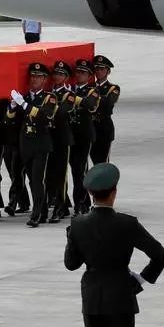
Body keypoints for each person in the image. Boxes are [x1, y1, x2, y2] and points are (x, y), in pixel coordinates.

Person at [64, 163, 164, 327]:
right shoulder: (127, 224)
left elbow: (71, 264)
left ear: (90, 193)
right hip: (121, 296)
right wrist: (139, 280)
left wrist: (71, 237)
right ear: (114, 192)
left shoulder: (78, 224)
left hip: (92, 297)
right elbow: (160, 255)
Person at [6, 62, 58, 228]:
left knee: (37, 180)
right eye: (33, 76)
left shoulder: (49, 97)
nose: (34, 79)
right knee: (30, 180)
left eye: (38, 76)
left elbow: (44, 116)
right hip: (25, 144)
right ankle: (42, 212)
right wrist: (12, 106)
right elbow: (9, 121)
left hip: (41, 144)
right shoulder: (25, 98)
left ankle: (35, 216)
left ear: (44, 79)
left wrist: (23, 104)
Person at [69, 59, 101, 215]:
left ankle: (80, 203)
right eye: (78, 72)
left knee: (79, 169)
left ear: (89, 76)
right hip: (71, 136)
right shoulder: (70, 89)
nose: (79, 75)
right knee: (75, 169)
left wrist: (73, 97)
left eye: (83, 73)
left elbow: (90, 105)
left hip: (84, 136)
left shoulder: (92, 90)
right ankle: (84, 201)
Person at [47, 61, 76, 224]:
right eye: (55, 74)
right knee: (51, 173)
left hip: (62, 138)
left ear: (65, 77)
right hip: (49, 138)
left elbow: (63, 112)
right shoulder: (47, 93)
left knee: (61, 173)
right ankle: (60, 202)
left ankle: (60, 207)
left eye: (60, 74)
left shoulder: (68, 94)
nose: (57, 77)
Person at [91, 55, 121, 165]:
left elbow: (109, 102)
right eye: (96, 69)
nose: (98, 72)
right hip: (91, 127)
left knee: (103, 162)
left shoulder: (113, 88)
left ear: (108, 71)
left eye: (102, 69)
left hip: (104, 128)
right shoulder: (90, 87)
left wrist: (92, 98)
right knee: (94, 159)